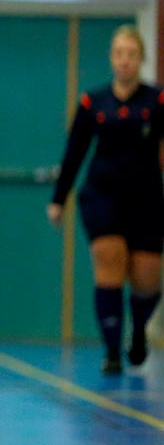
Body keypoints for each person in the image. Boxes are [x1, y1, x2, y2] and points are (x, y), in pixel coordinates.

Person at [47, 25, 163, 375]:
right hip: (103, 194)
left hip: (146, 198)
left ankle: (138, 330)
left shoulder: (155, 100)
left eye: (132, 54)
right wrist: (58, 199)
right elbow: (75, 151)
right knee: (108, 258)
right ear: (112, 58)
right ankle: (111, 351)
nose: (125, 61)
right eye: (119, 54)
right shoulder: (92, 102)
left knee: (146, 278)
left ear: (141, 59)